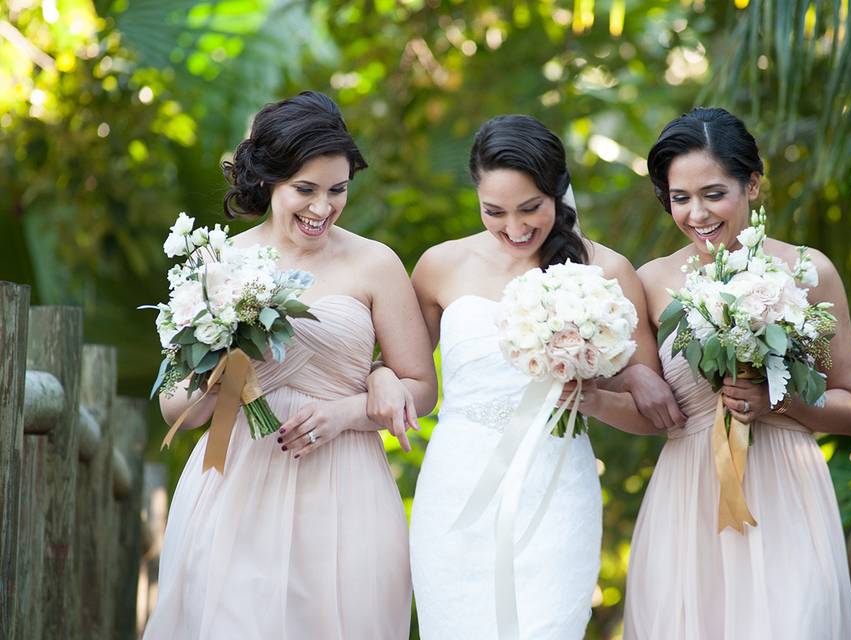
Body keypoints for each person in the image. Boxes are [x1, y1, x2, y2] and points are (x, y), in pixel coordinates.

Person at [366, 114, 677, 639]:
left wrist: (606, 394)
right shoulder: (439, 266)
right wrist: (379, 378)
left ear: (558, 191)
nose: (515, 228)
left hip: (557, 484)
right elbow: (406, 374)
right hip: (457, 485)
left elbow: (655, 421)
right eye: (495, 211)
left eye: (531, 208)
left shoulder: (607, 273)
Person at [143, 91, 436, 639]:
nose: (322, 208)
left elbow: (421, 388)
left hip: (345, 484)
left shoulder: (375, 263)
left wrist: (348, 411)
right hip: (235, 481)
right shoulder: (221, 263)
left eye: (338, 189)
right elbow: (175, 409)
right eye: (305, 190)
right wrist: (222, 359)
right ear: (268, 181)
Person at [619, 107, 851, 639]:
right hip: (688, 497)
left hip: (787, 492)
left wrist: (776, 400)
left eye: (713, 193)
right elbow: (654, 414)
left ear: (752, 184)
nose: (696, 214)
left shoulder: (809, 271)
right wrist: (590, 394)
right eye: (679, 198)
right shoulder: (650, 282)